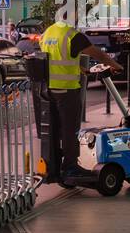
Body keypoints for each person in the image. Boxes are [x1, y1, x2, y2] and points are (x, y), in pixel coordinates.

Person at [39, 18, 124, 187]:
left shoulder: (48, 32)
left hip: (50, 89)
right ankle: (70, 167)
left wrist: (80, 69)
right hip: (67, 90)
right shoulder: (72, 35)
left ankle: (57, 167)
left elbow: (55, 58)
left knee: (56, 130)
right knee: (71, 130)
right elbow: (97, 53)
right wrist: (115, 65)